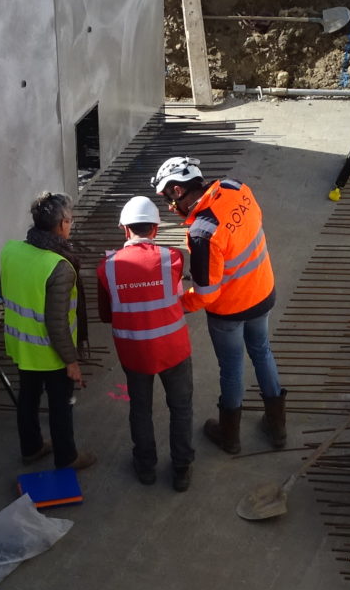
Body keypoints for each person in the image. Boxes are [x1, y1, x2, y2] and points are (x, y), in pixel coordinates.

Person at [154, 155, 285, 456]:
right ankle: (278, 429)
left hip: (230, 312)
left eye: (167, 201)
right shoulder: (237, 188)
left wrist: (177, 304)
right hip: (262, 292)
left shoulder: (202, 232)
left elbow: (205, 295)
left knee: (232, 367)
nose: (170, 209)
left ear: (177, 191)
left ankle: (230, 437)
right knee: (262, 352)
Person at [97, 195, 196, 492]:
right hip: (173, 349)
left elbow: (105, 315)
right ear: (155, 229)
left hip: (134, 352)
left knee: (140, 409)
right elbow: (176, 294)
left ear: (124, 230)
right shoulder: (173, 259)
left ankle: (146, 467)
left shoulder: (107, 267)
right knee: (181, 407)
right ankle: (181, 469)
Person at [0, 192, 96, 472]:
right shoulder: (59, 267)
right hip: (50, 354)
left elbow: (5, 292)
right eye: (71, 221)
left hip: (20, 346)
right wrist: (71, 361)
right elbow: (57, 323)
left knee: (27, 399)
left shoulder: (11, 250)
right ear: (63, 223)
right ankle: (67, 457)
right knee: (60, 405)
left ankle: (31, 449)